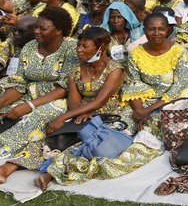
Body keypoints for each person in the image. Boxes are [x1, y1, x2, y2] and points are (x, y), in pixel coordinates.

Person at [36, 26, 159, 189]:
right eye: (78, 45)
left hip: (115, 113)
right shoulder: (76, 69)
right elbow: (74, 100)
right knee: (77, 138)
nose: (79, 50)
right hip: (86, 113)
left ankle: (51, 173)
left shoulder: (115, 69)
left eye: (84, 46)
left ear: (100, 48)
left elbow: (100, 102)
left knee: (99, 146)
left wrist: (65, 117)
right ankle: (48, 171)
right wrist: (79, 115)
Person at [123, 11, 188, 195]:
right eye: (151, 29)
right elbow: (132, 85)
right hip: (145, 101)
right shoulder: (136, 54)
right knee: (124, 127)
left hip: (171, 101)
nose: (156, 33)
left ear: (168, 30)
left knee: (152, 131)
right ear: (144, 30)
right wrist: (140, 110)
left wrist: (148, 111)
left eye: (161, 29)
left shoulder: (179, 51)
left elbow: (181, 85)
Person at [0, 7, 79, 182]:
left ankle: (5, 153)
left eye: (42, 29)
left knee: (36, 117)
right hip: (28, 94)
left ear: (58, 30)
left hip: (59, 99)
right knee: (5, 111)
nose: (36, 31)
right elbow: (18, 83)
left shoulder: (71, 48)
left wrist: (29, 106)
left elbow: (66, 87)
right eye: (36, 27)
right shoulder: (29, 47)